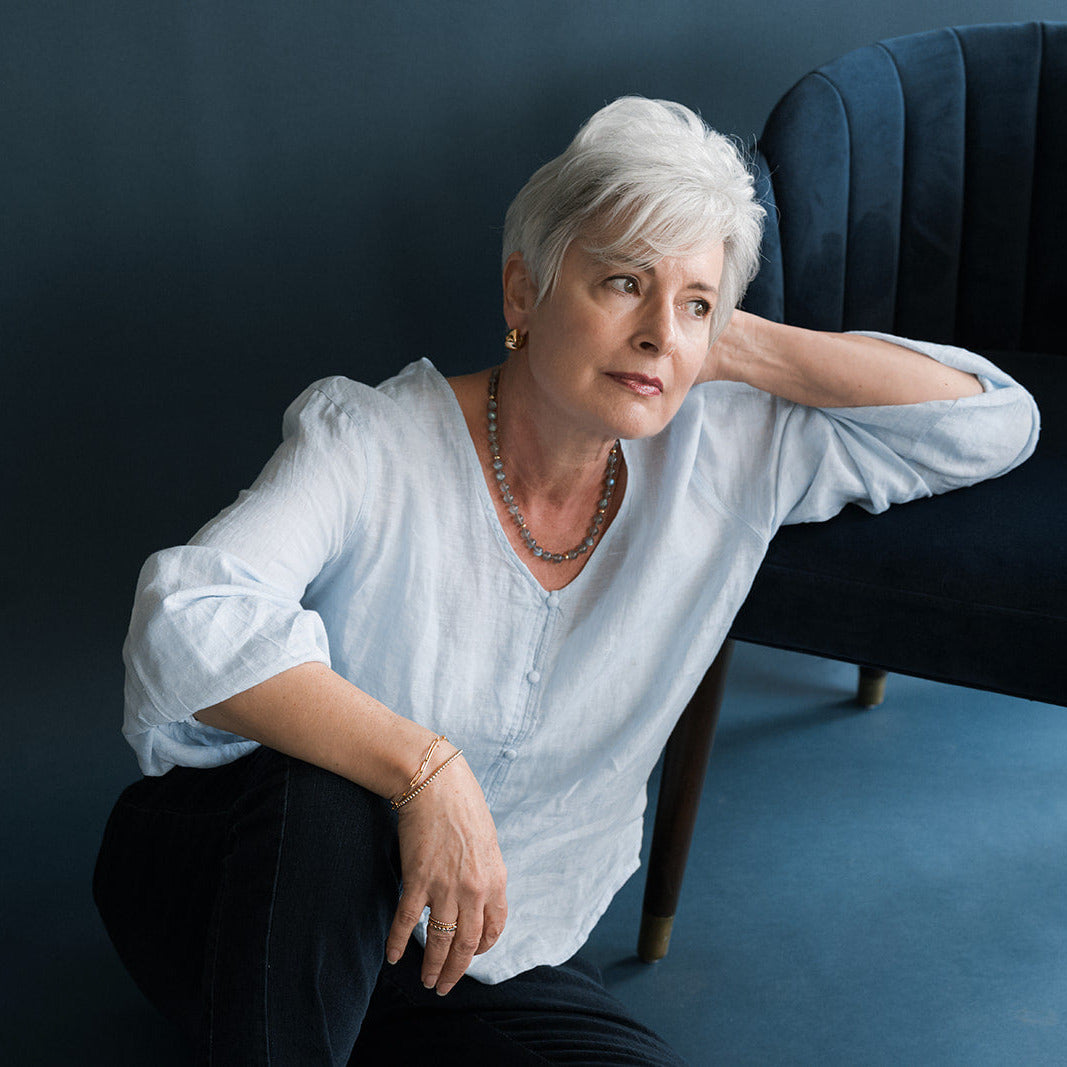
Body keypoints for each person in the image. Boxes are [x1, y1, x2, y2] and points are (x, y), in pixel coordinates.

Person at [93, 97, 1039, 1065]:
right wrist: (422, 766)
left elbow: (992, 422)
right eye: (622, 282)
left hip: (481, 952)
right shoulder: (371, 440)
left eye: (694, 302)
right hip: (238, 886)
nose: (656, 334)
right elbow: (185, 616)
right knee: (333, 801)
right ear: (522, 292)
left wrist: (729, 341)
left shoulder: (731, 452)